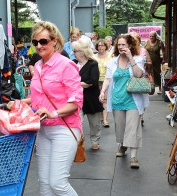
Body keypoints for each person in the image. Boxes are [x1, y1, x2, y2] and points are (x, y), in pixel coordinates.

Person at [8, 21, 83, 195]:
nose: (39, 46)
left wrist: (53, 113)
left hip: (64, 127)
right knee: (44, 184)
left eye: (43, 41)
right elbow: (37, 98)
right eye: (35, 43)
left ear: (54, 41)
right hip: (43, 129)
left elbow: (76, 102)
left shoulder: (66, 65)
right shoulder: (39, 66)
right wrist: (19, 103)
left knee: (57, 183)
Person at [99, 34, 149, 169]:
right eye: (119, 45)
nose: (121, 47)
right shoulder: (113, 61)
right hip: (117, 99)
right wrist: (102, 91)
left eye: (124, 45)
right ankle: (122, 146)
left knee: (133, 128)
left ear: (130, 46)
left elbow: (139, 74)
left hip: (133, 99)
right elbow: (108, 79)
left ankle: (133, 156)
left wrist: (131, 58)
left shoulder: (138, 59)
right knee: (120, 127)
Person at [72, 39, 104, 150]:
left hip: (91, 97)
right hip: (77, 98)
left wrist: (77, 83)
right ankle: (78, 140)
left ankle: (95, 141)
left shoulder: (92, 64)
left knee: (94, 122)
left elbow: (93, 81)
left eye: (75, 51)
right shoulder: (73, 64)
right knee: (76, 121)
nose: (73, 53)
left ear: (82, 52)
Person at [130, 32, 152, 127]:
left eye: (135, 40)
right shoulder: (128, 50)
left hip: (142, 77)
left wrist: (144, 64)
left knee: (143, 97)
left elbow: (150, 62)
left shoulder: (143, 50)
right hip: (131, 78)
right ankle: (134, 115)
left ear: (139, 41)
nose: (133, 41)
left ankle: (141, 116)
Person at [94, 39, 112, 128]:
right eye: (99, 45)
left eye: (103, 45)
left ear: (106, 47)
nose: (101, 47)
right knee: (98, 100)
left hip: (107, 80)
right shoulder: (94, 57)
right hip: (96, 81)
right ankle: (100, 117)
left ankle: (105, 119)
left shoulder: (110, 56)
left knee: (105, 100)